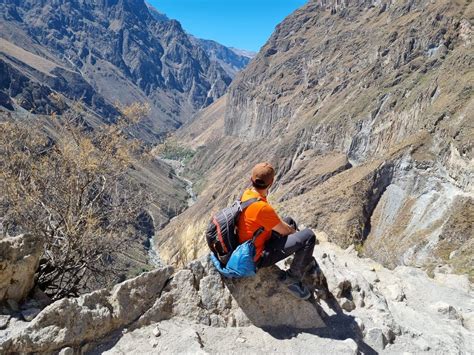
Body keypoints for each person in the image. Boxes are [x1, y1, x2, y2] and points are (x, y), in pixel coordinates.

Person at [237, 162, 318, 300]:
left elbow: (274, 223)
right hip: (258, 257)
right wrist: (295, 235)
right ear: (271, 183)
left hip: (251, 242)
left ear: (252, 179)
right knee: (308, 236)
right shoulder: (262, 207)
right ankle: (292, 278)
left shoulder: (247, 195)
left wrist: (290, 230)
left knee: (289, 220)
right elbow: (285, 230)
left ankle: (302, 259)